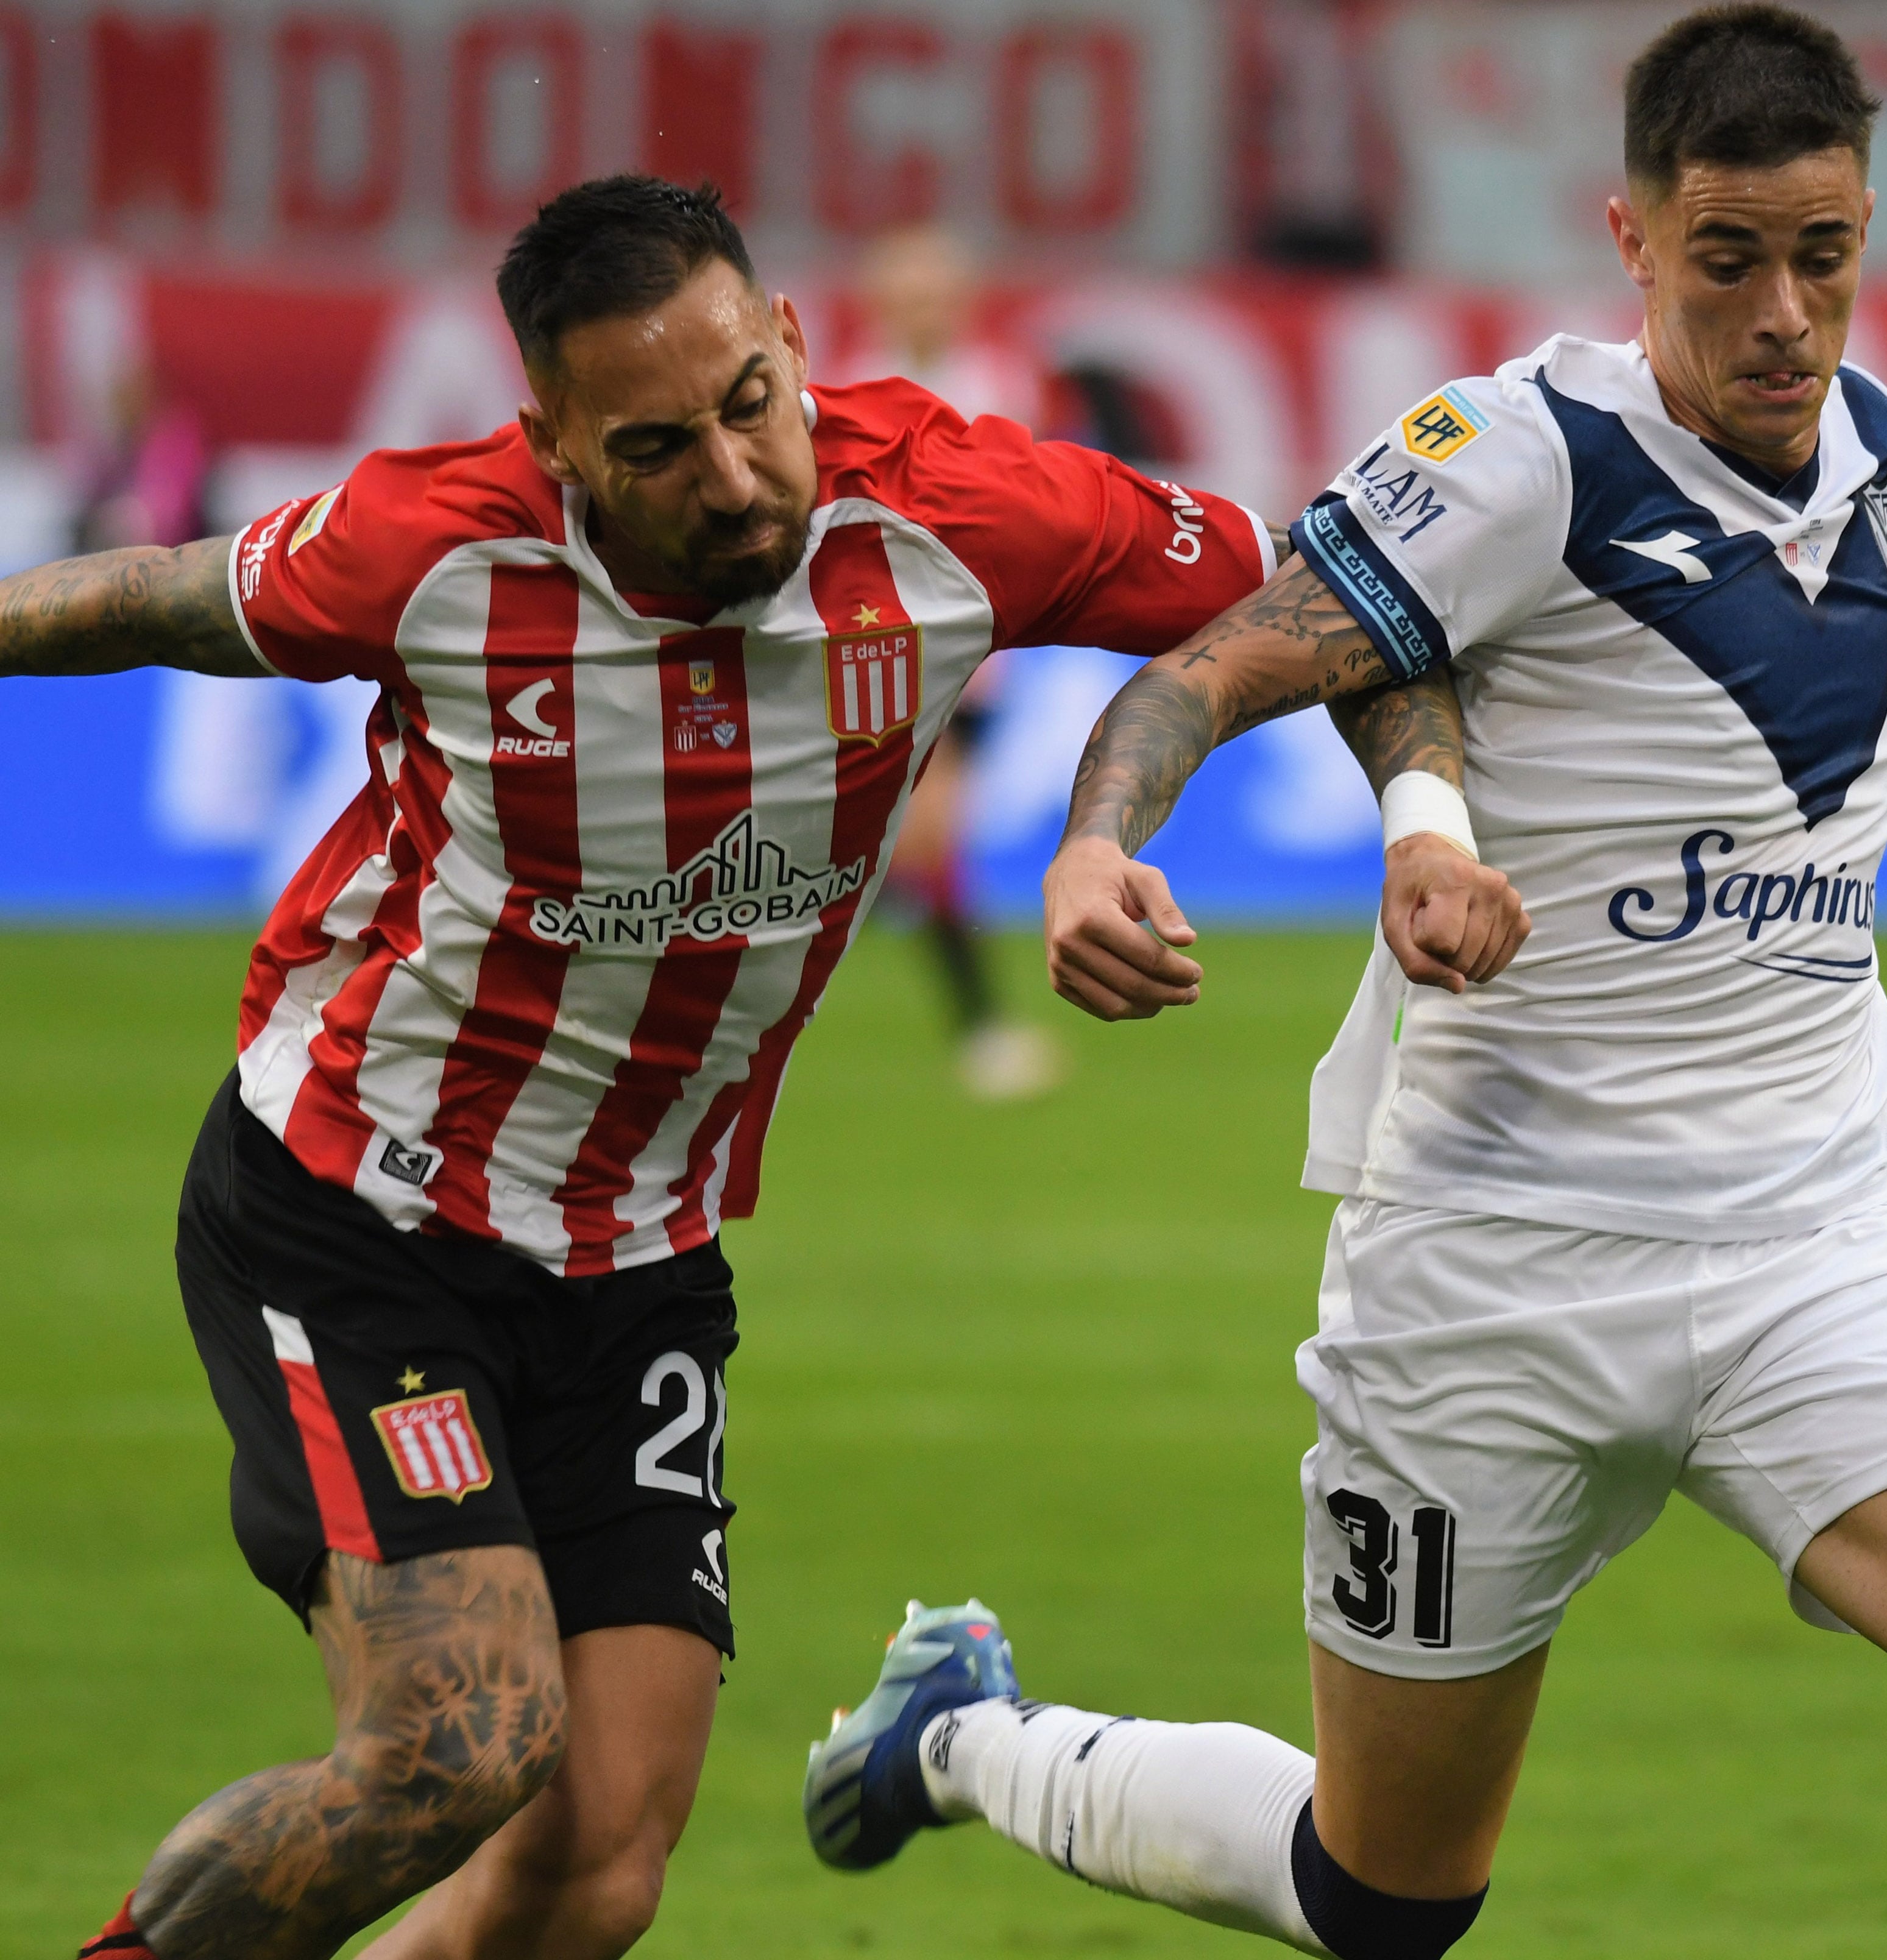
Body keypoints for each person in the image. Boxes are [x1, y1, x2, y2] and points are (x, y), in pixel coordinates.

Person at [803, 12, 1887, 1959]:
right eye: (1730, 262)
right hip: (1495, 1273)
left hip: (1816, 1250)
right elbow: (1226, 661)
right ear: (1633, 234)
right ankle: (972, 1740)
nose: (1787, 316)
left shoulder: (1868, 437)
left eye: (1827, 257)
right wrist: (1105, 842)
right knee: (1383, 1896)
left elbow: (1839, 665)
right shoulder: (1520, 457)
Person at [26, 175, 1277, 1960]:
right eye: (659, 444)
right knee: (453, 1747)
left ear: (790, 342)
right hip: (360, 1210)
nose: (735, 475)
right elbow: (149, 593)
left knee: (592, 1870)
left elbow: (1329, 602)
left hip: (639, 1264)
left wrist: (1140, 826)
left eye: (751, 407)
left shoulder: (954, 504)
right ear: (555, 439)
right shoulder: (437, 548)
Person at [844, 224, 1066, 1099]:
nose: (923, 307)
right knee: (911, 843)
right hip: (869, 640)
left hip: (971, 647)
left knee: (910, 842)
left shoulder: (999, 384)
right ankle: (983, 1033)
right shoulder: (850, 383)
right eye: (909, 290)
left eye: (936, 290)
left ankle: (976, 1032)